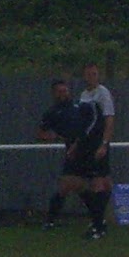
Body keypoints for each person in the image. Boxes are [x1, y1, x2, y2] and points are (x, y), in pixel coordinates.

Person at [71, 62, 116, 240]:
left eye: (95, 74)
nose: (92, 77)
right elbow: (83, 123)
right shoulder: (84, 95)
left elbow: (109, 119)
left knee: (99, 182)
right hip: (86, 144)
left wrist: (104, 143)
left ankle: (97, 227)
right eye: (88, 74)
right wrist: (76, 143)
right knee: (95, 183)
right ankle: (99, 221)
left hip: (97, 144)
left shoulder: (102, 93)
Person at [37, 78, 84, 228]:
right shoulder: (52, 113)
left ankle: (98, 218)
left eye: (65, 90)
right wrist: (55, 136)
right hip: (72, 151)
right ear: (54, 94)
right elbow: (41, 134)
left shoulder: (79, 107)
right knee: (67, 185)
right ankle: (50, 220)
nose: (63, 94)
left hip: (86, 147)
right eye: (60, 91)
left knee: (94, 182)